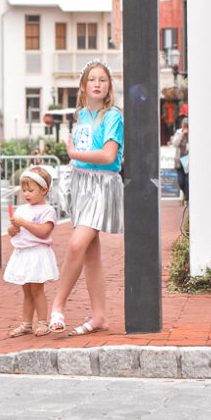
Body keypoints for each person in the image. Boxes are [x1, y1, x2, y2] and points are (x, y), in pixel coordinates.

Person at [49, 60, 123, 336]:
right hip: (81, 184)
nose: (97, 84)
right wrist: (72, 167)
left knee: (75, 246)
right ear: (83, 86)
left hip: (101, 187)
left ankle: (57, 305)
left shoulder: (112, 116)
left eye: (103, 80)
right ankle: (100, 316)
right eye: (92, 79)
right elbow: (82, 152)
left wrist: (73, 155)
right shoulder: (80, 116)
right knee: (91, 254)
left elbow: (108, 156)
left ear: (108, 87)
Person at [4, 165, 59, 337]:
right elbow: (13, 232)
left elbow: (44, 231)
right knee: (26, 290)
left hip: (37, 253)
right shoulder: (22, 210)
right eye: (24, 190)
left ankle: (43, 322)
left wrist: (24, 224)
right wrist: (13, 229)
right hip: (23, 253)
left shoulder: (47, 210)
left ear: (43, 190)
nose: (26, 194)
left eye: (31, 190)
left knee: (37, 289)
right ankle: (26, 323)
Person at [171, 118, 189, 203]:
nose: (185, 127)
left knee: (187, 180)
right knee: (180, 181)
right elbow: (175, 143)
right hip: (179, 160)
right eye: (184, 125)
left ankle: (187, 199)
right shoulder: (179, 132)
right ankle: (185, 194)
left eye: (187, 126)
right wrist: (182, 134)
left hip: (188, 160)